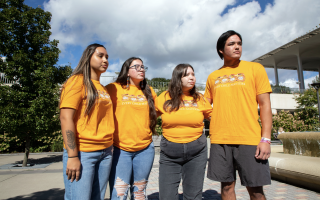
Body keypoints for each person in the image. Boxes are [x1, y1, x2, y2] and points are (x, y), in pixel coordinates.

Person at [204, 30, 272, 200]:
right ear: (221, 49)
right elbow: (205, 106)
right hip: (220, 140)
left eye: (239, 43)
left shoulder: (255, 68)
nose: (237, 47)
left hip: (249, 138)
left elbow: (265, 105)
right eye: (231, 44)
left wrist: (266, 139)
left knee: (255, 190)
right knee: (226, 188)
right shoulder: (213, 76)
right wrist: (217, 117)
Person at [59, 43, 114, 200]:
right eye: (100, 55)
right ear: (88, 57)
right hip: (83, 153)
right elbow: (66, 117)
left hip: (106, 152)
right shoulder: (76, 81)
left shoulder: (103, 88)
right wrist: (72, 156)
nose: (105, 60)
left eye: (107, 57)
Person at [156, 64, 212, 200]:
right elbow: (148, 117)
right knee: (166, 196)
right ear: (177, 78)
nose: (191, 78)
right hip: (170, 153)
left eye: (193, 74)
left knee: (193, 196)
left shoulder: (200, 98)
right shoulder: (164, 97)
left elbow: (214, 118)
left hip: (197, 152)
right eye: (186, 75)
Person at [106, 57, 157, 200]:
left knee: (140, 193)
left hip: (145, 149)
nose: (141, 69)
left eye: (143, 67)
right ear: (127, 71)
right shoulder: (113, 88)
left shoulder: (149, 91)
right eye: (137, 66)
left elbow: (159, 111)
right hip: (120, 149)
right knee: (119, 194)